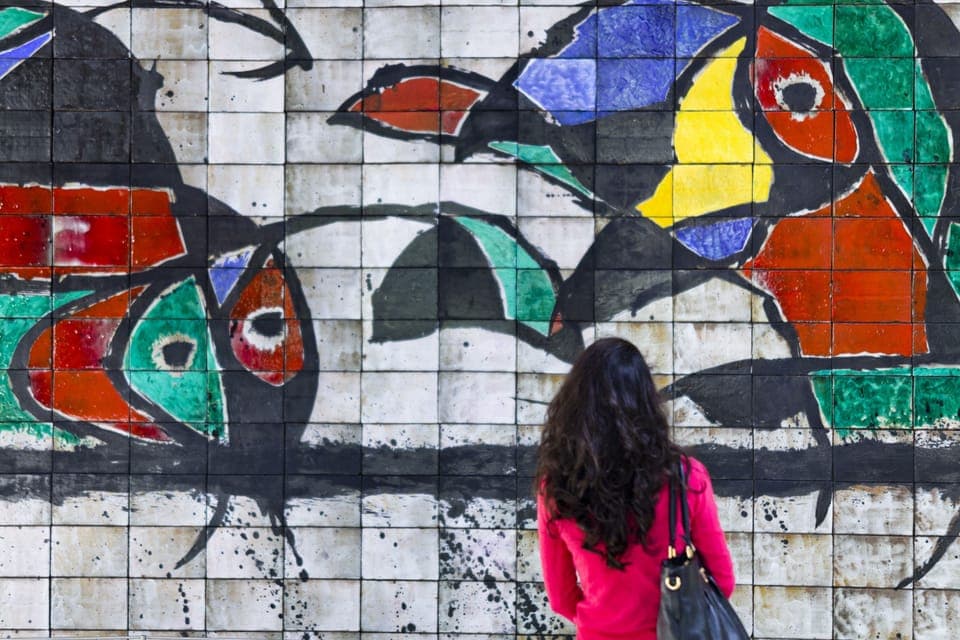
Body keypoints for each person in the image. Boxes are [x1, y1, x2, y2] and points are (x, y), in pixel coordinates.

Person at [535, 337, 735, 639]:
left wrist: (603, 619)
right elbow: (722, 580)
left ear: (576, 404)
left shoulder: (556, 487)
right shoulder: (686, 477)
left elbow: (562, 599)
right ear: (645, 400)